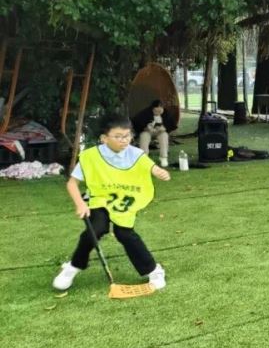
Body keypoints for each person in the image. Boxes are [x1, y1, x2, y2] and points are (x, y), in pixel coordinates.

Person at [53, 114, 171, 292]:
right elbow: (72, 183)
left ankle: (154, 270)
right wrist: (80, 204)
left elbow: (152, 167)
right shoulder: (90, 156)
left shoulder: (136, 154)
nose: (124, 140)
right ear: (104, 138)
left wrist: (159, 172)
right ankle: (73, 266)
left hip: (125, 201)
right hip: (100, 199)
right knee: (96, 229)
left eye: (127, 135)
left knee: (124, 234)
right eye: (118, 136)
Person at [132, 99, 177, 167]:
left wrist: (164, 128)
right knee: (144, 136)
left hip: (160, 132)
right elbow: (136, 122)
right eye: (157, 107)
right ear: (152, 108)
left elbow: (171, 125)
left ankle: (163, 157)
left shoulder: (166, 114)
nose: (159, 109)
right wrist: (145, 128)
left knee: (164, 136)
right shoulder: (145, 113)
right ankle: (144, 158)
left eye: (161, 107)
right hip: (147, 131)